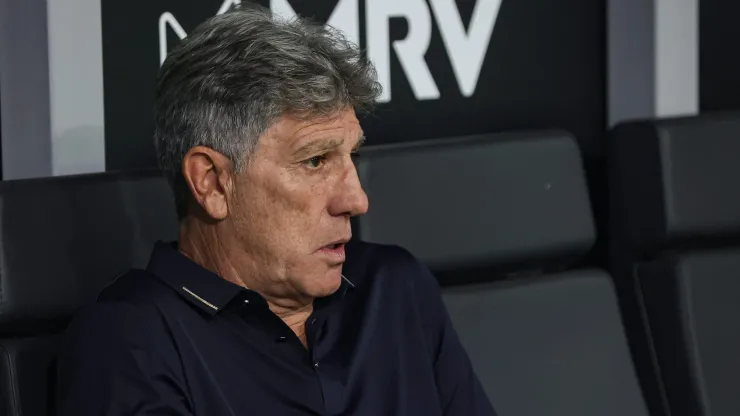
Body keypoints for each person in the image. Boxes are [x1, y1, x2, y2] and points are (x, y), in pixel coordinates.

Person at [56, 3, 495, 415]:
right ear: (211, 182)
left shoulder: (395, 289)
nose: (357, 200)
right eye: (315, 160)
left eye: (352, 157)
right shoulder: (129, 340)